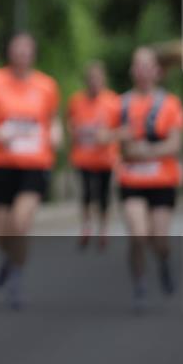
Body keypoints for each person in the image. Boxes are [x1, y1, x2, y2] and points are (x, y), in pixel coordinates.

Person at [0, 33, 60, 310]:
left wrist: (57, 134)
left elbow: (53, 119)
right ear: (9, 54)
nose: (22, 56)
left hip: (34, 164)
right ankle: (9, 259)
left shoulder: (47, 86)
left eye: (27, 51)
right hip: (0, 163)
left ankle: (16, 277)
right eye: (17, 51)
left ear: (33, 55)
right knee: (2, 231)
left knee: (20, 223)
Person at [115, 47, 183, 312]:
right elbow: (107, 138)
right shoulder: (120, 104)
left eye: (148, 66)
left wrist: (147, 151)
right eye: (138, 66)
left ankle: (164, 262)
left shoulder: (170, 104)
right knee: (138, 234)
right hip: (131, 181)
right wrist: (117, 142)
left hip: (162, 181)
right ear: (132, 71)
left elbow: (175, 143)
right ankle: (140, 285)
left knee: (159, 240)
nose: (143, 71)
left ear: (157, 71)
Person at [66, 62, 120, 250]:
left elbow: (121, 130)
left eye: (98, 79)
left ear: (103, 80)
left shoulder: (113, 101)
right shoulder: (76, 101)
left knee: (104, 195)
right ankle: (87, 226)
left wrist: (109, 136)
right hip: (83, 156)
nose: (94, 83)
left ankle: (103, 229)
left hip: (105, 158)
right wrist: (75, 134)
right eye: (91, 79)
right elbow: (70, 124)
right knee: (87, 192)